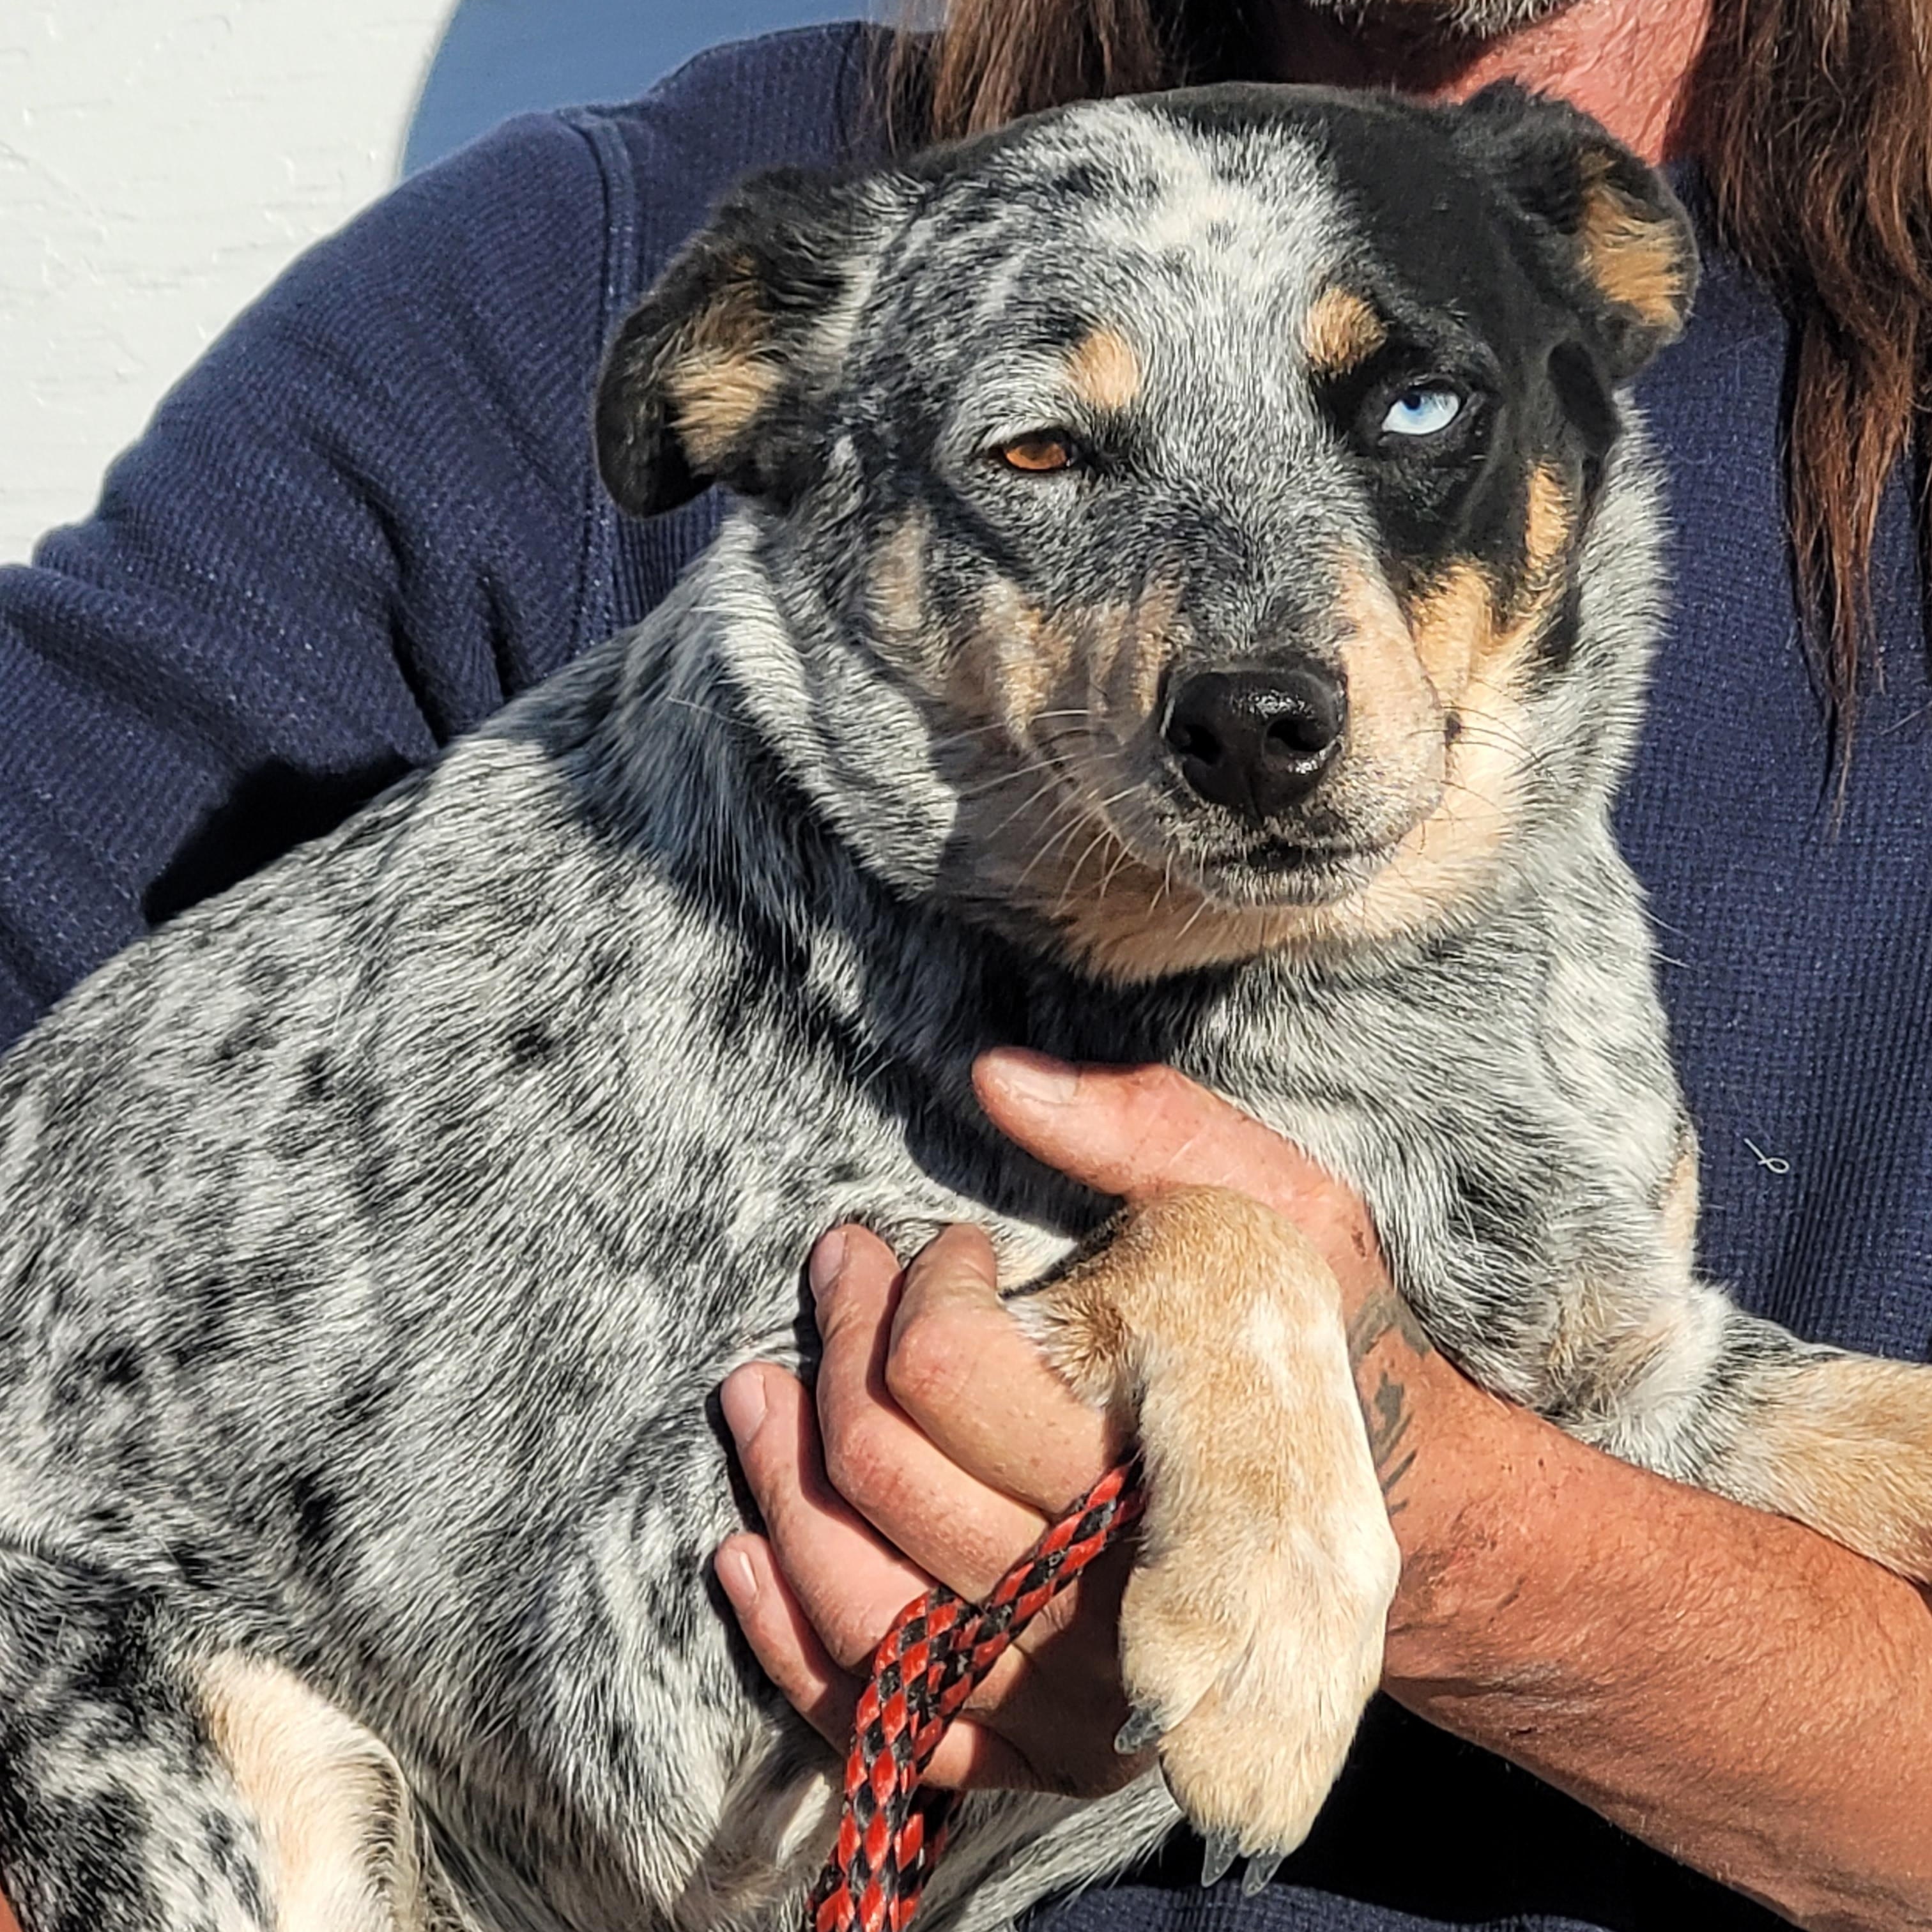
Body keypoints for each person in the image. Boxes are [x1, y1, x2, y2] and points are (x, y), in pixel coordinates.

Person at [0, 1, 1929, 1928]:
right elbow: (669, 1756)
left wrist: (1452, 1530)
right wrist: (1201, 1326)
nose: (1258, 672)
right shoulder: (602, 283)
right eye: (1040, 449)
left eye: (1411, 406)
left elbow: (1643, 1404)